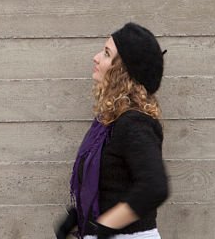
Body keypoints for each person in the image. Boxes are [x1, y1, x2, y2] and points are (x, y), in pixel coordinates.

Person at [54, 22, 169, 239]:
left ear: (122, 72)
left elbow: (154, 186)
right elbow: (113, 186)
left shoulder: (135, 124)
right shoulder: (109, 123)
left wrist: (105, 226)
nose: (96, 57)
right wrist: (81, 217)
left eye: (107, 54)